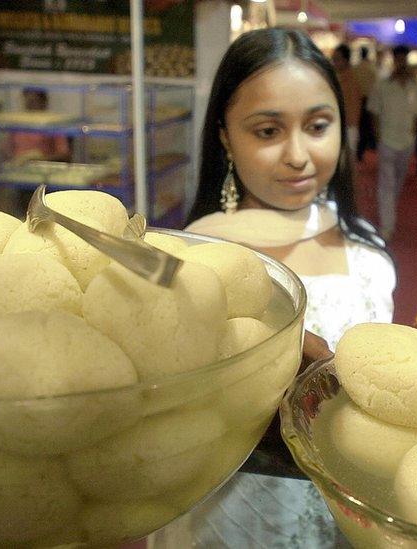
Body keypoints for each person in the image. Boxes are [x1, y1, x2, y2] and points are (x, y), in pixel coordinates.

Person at [151, 28, 396, 547]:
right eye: (267, 131)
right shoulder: (193, 258)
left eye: (318, 125)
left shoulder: (368, 249)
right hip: (229, 508)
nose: (298, 155)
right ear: (224, 136)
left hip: (344, 508)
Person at [367, 44, 417, 240]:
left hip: (407, 140)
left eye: (403, 59)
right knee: (386, 182)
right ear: (394, 60)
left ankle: (388, 208)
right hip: (387, 140)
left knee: (398, 181)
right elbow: (374, 111)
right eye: (398, 59)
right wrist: (378, 136)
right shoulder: (382, 85)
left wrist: (414, 134)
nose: (401, 63)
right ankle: (387, 225)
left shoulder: (415, 86)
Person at [331, 44, 363, 159]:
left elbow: (353, 107)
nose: (334, 62)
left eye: (337, 59)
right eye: (333, 59)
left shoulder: (352, 79)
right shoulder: (336, 77)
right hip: (338, 125)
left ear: (345, 60)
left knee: (347, 162)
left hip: (348, 126)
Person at [354, 45, 377, 161]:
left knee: (356, 126)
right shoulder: (371, 68)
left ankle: (356, 150)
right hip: (368, 100)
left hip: (357, 99)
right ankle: (360, 151)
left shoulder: (355, 68)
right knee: (365, 127)